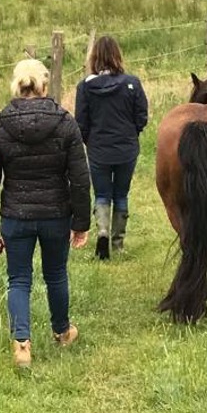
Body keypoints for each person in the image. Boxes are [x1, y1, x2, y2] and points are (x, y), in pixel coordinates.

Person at [0, 59, 90, 369]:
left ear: (16, 85)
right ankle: (62, 331)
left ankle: (22, 344)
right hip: (55, 213)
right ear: (44, 85)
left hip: (15, 215)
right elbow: (80, 178)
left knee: (18, 279)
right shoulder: (65, 122)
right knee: (56, 273)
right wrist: (81, 222)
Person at [74, 35, 149, 259]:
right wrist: (131, 134)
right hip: (126, 148)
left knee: (102, 194)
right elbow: (141, 116)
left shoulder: (85, 87)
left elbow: (81, 122)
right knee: (121, 194)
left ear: (94, 58)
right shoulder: (132, 84)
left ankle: (102, 231)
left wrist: (90, 141)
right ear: (118, 55)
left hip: (99, 148)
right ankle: (118, 243)